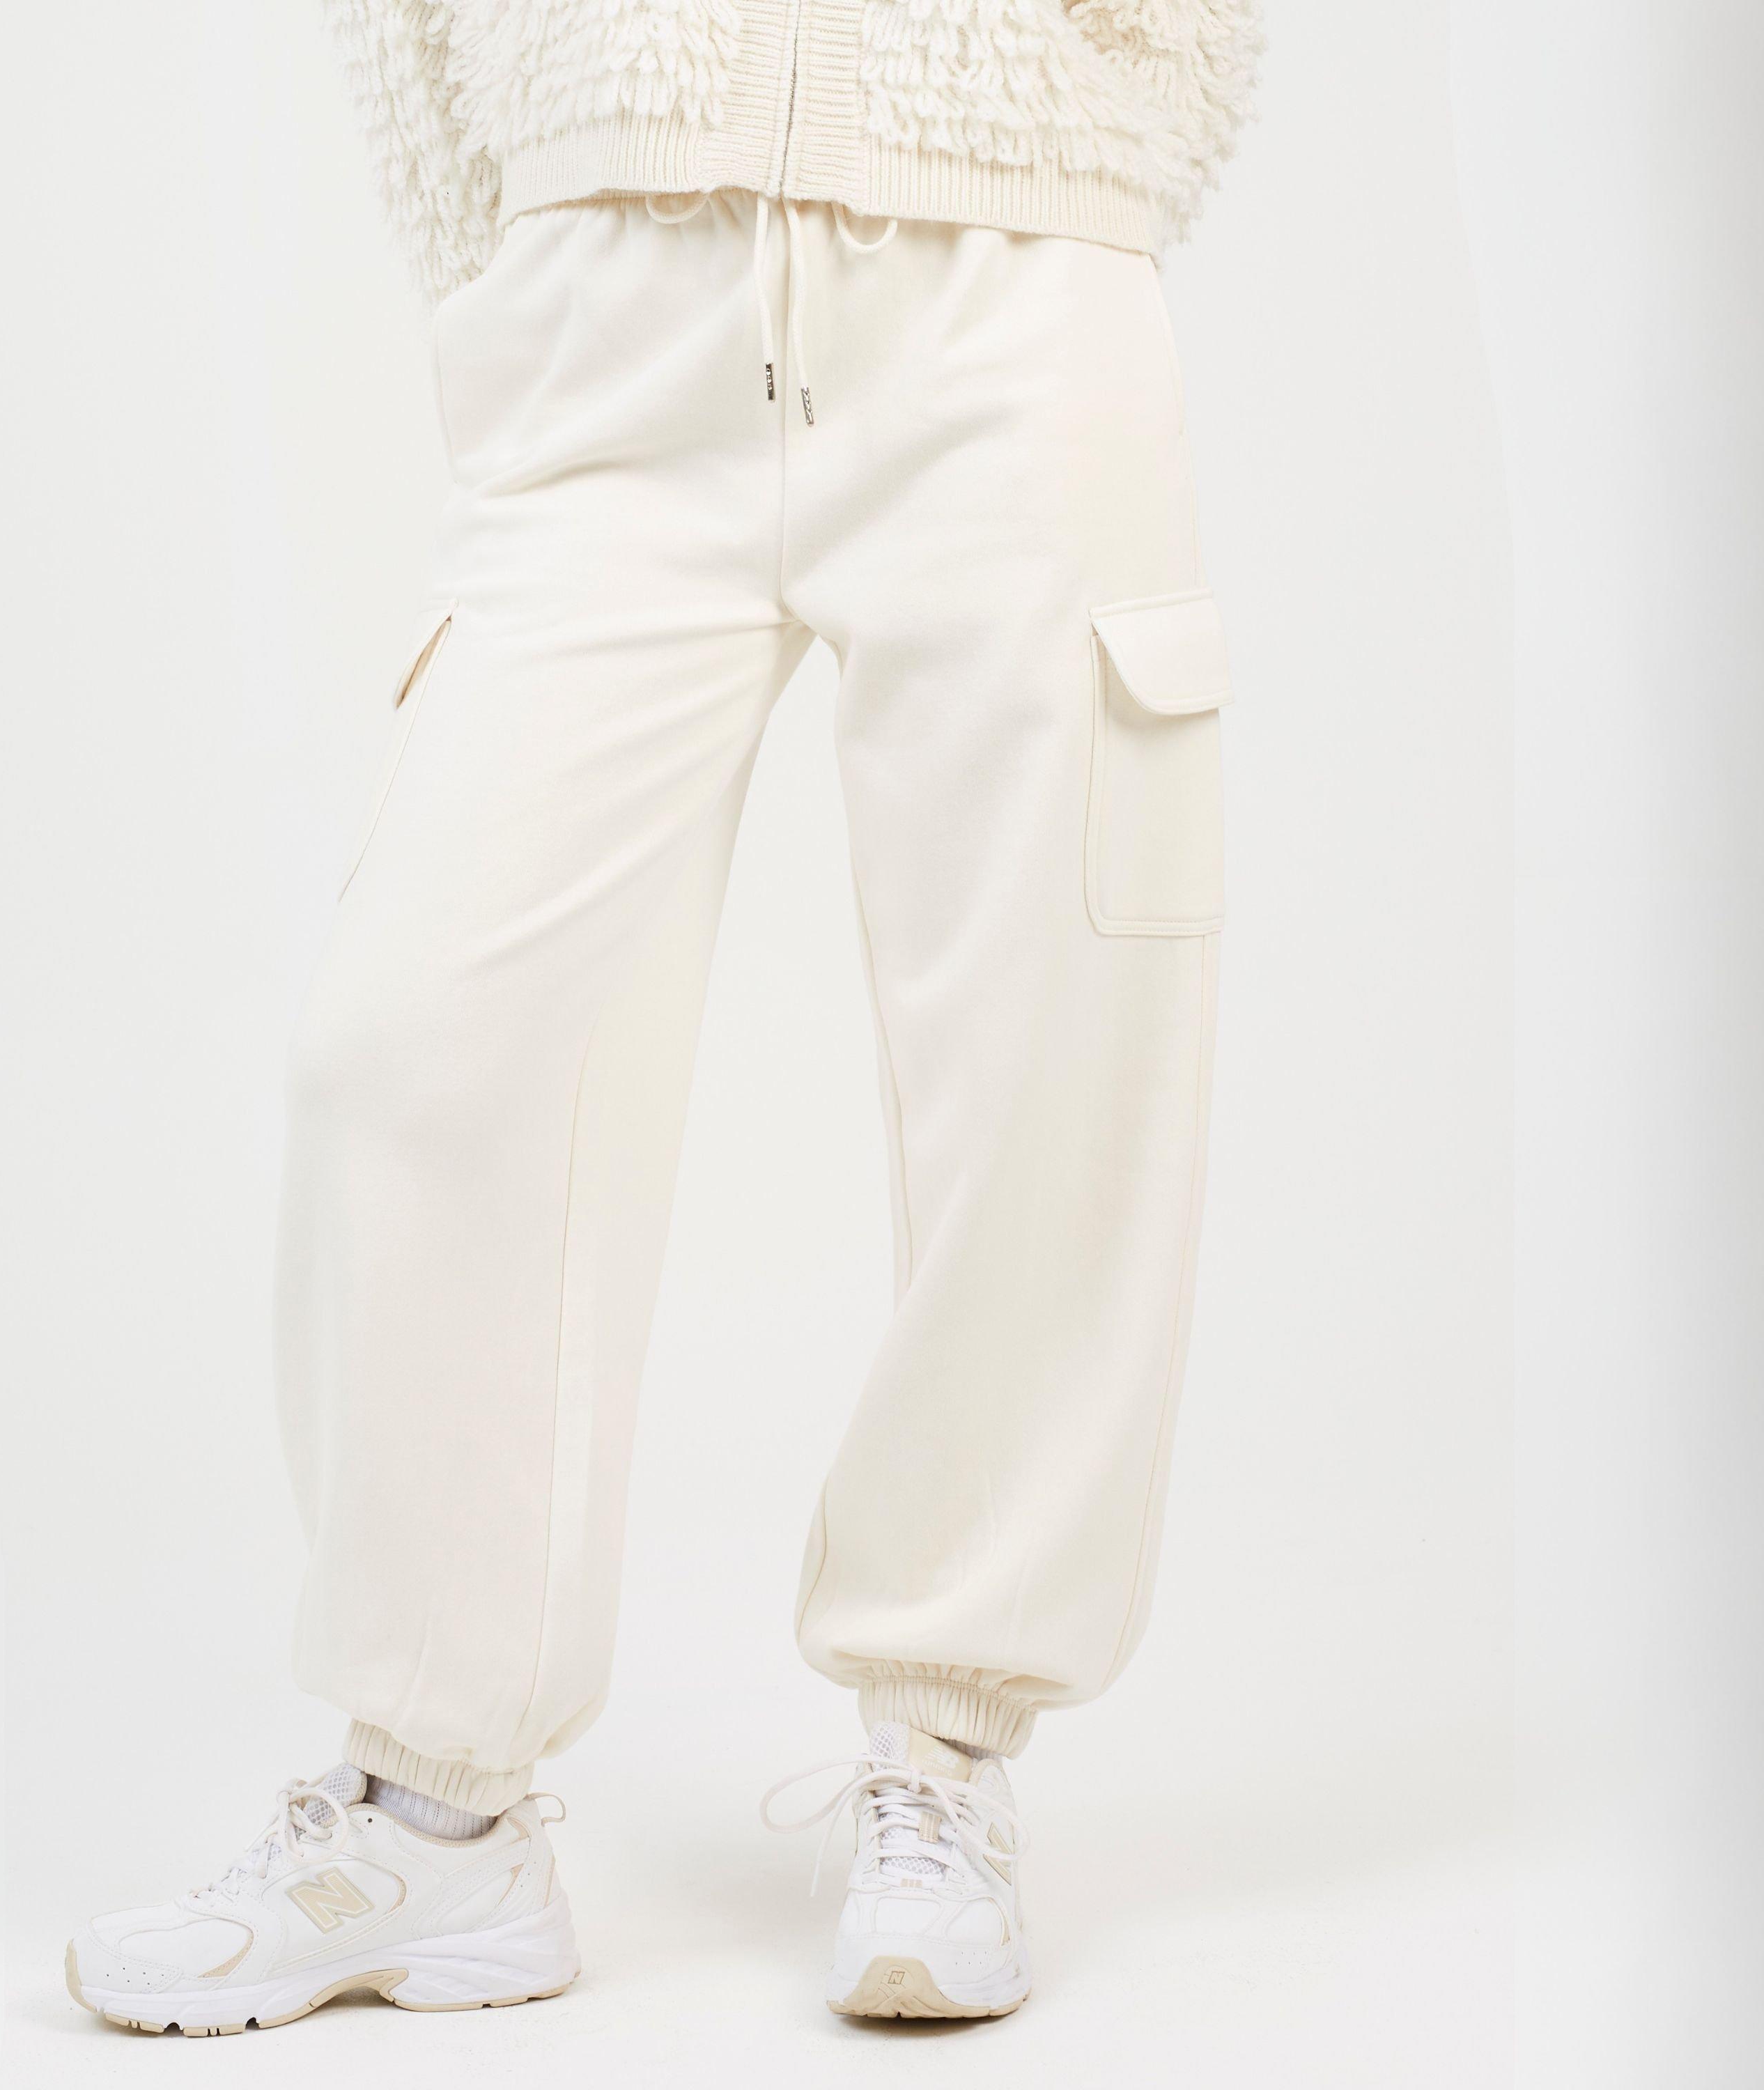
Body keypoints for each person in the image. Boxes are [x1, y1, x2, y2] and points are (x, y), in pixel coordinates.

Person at [65, 0, 1260, 2035]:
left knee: (1043, 1044)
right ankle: (435, 1812)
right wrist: (547, 190)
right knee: (414, 1040)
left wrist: (1085, 150)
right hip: (607, 285)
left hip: (1009, 268)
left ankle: (944, 1742)